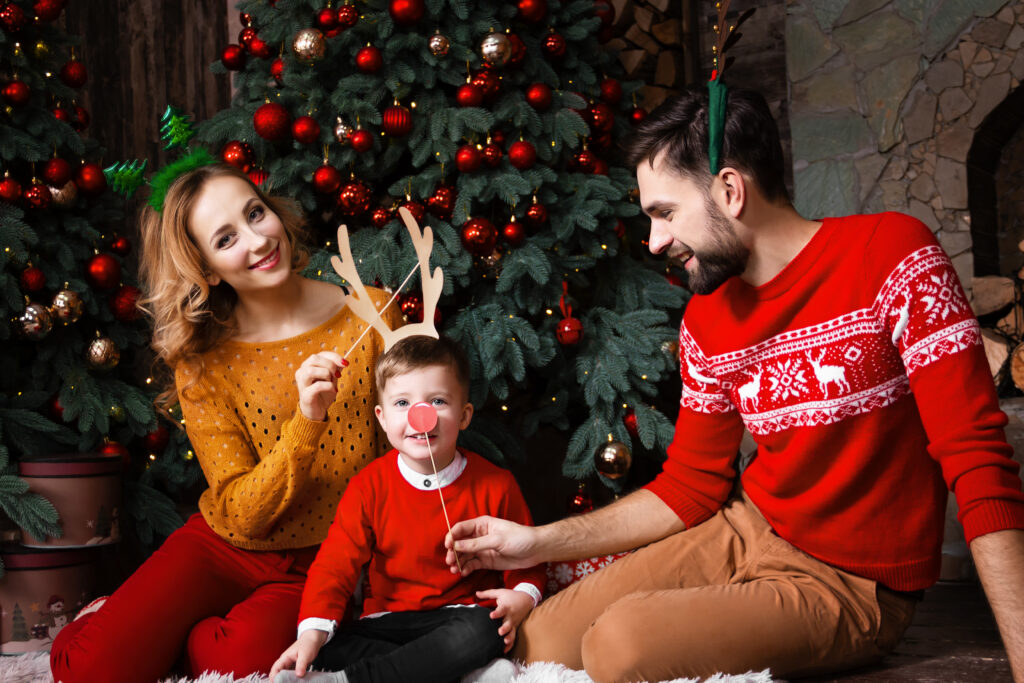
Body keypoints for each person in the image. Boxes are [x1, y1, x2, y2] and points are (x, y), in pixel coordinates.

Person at [444, 86, 1024, 683]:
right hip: (743, 529)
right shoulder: (708, 316)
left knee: (618, 647)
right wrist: (536, 544)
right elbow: (690, 485)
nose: (655, 242)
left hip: (853, 585)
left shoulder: (896, 257)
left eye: (664, 213)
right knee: (538, 642)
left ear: (730, 190)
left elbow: (976, 460)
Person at [50, 162, 402, 683]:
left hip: (319, 562)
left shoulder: (370, 314)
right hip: (227, 545)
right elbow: (240, 514)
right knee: (85, 669)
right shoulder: (202, 358)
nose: (259, 240)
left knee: (233, 665)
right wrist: (306, 424)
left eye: (256, 213)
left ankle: (173, 634)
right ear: (208, 269)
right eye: (226, 237)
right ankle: (112, 618)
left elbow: (403, 457)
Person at [271, 335, 545, 683]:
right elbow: (333, 566)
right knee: (327, 643)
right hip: (387, 623)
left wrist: (521, 597)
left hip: (458, 619)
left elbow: (530, 558)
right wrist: (311, 634)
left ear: (464, 416)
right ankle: (461, 673)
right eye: (403, 403)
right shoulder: (368, 487)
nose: (420, 416)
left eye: (437, 401)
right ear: (382, 419)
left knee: (484, 630)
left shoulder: (496, 484)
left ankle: (350, 681)